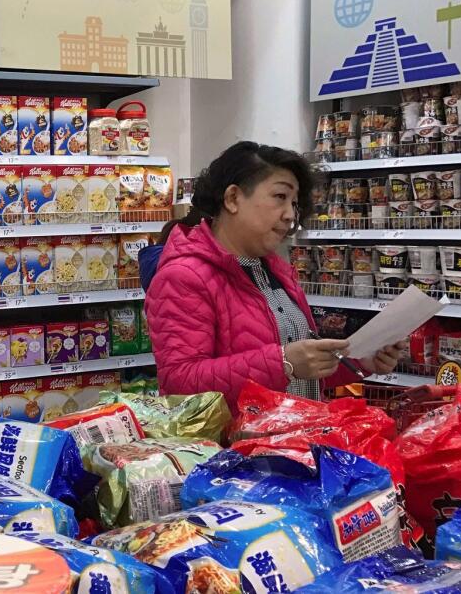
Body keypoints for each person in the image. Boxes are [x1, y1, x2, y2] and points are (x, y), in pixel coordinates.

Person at [140, 141, 403, 412]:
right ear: (233, 199)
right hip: (233, 451)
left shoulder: (275, 271)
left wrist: (363, 361)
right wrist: (283, 362)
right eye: (280, 197)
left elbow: (300, 375)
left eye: (294, 203)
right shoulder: (183, 276)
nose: (290, 215)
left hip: (292, 441)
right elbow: (179, 383)